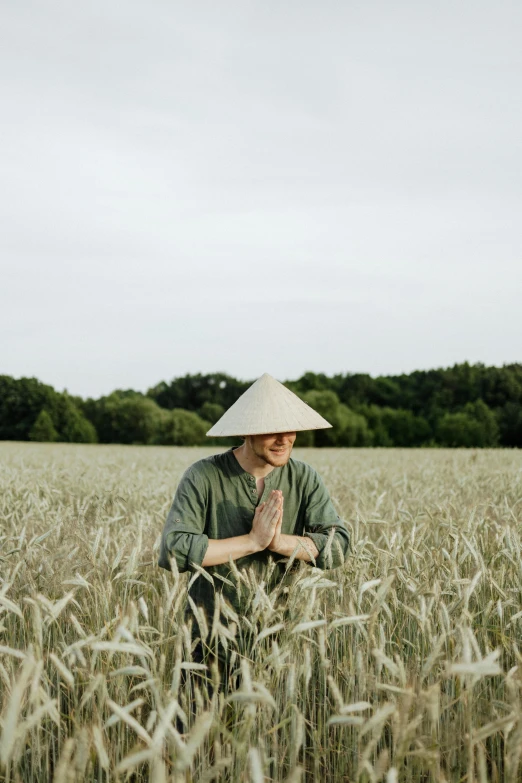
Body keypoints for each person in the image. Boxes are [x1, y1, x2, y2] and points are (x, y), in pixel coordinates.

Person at [158, 373, 350, 677]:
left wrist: (278, 543)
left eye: (291, 429)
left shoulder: (304, 478)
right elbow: (175, 549)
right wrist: (252, 542)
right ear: (247, 431)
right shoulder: (203, 476)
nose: (284, 438)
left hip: (280, 639)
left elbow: (337, 546)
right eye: (272, 429)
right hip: (207, 641)